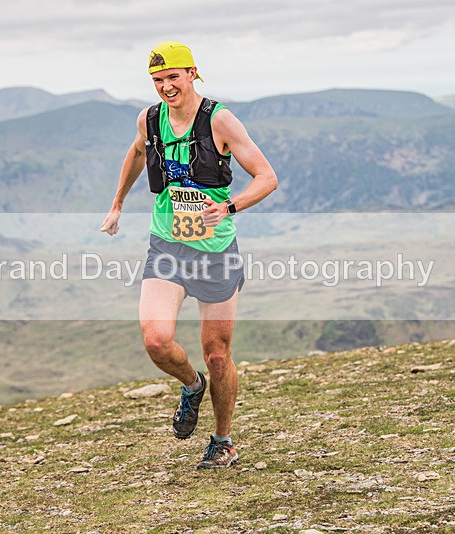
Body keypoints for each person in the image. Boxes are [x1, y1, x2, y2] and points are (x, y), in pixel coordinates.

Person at [100, 41, 277, 469]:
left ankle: (222, 441)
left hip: (215, 251)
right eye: (157, 80)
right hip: (168, 246)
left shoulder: (220, 120)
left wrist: (230, 206)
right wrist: (118, 202)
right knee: (156, 340)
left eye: (173, 77)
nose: (165, 87)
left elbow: (267, 177)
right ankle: (191, 385)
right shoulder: (149, 119)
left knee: (218, 354)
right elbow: (138, 151)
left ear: (193, 73)